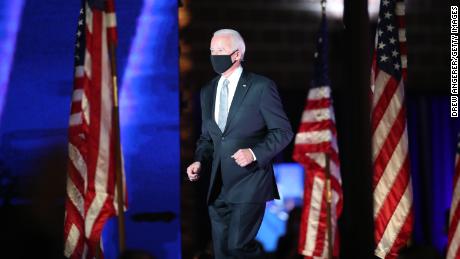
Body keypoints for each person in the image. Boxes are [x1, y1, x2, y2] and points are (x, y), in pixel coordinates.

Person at [186, 28, 293, 259]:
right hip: (218, 186)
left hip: (250, 181)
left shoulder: (260, 87)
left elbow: (283, 131)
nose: (214, 55)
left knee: (238, 247)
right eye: (212, 50)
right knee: (222, 252)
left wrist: (254, 153)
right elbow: (208, 138)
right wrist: (199, 161)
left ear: (236, 55)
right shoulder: (207, 91)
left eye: (220, 51)